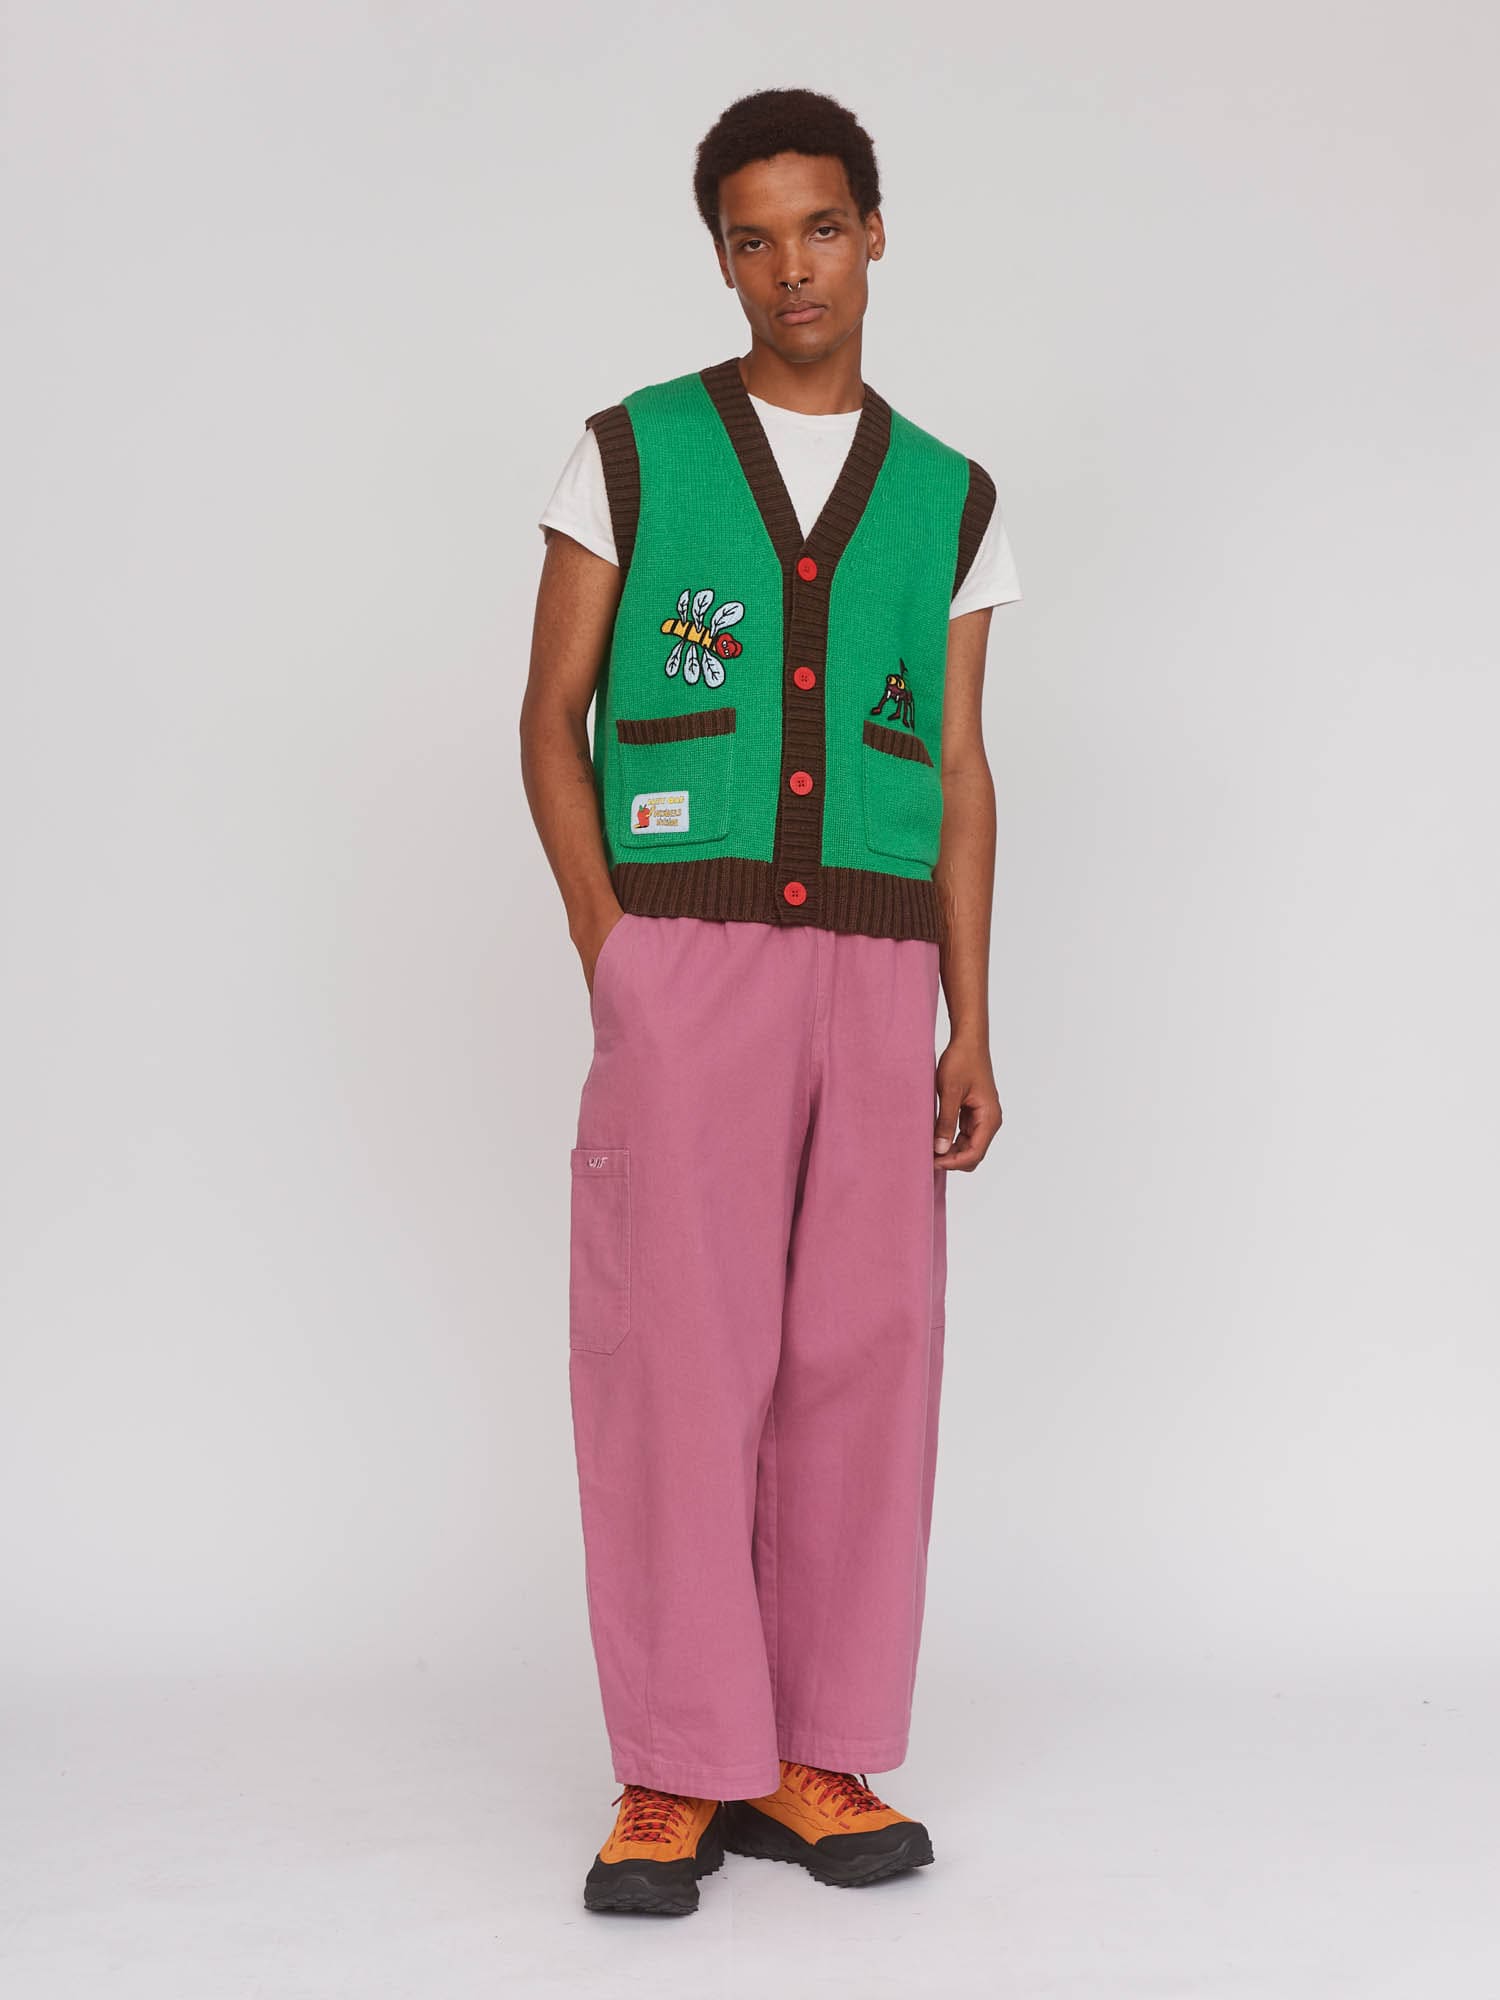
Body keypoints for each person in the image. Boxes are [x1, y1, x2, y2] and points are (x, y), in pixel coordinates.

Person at [520, 86, 1021, 1917]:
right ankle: (675, 1764)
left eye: (820, 227)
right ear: (720, 257)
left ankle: (815, 1754)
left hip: (880, 980)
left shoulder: (951, 496)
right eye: (753, 238)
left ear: (874, 233)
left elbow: (957, 770)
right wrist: (619, 956)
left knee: (864, 1359)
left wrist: (972, 1018)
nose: (791, 267)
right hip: (691, 964)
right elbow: (549, 720)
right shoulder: (634, 452)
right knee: (678, 1355)